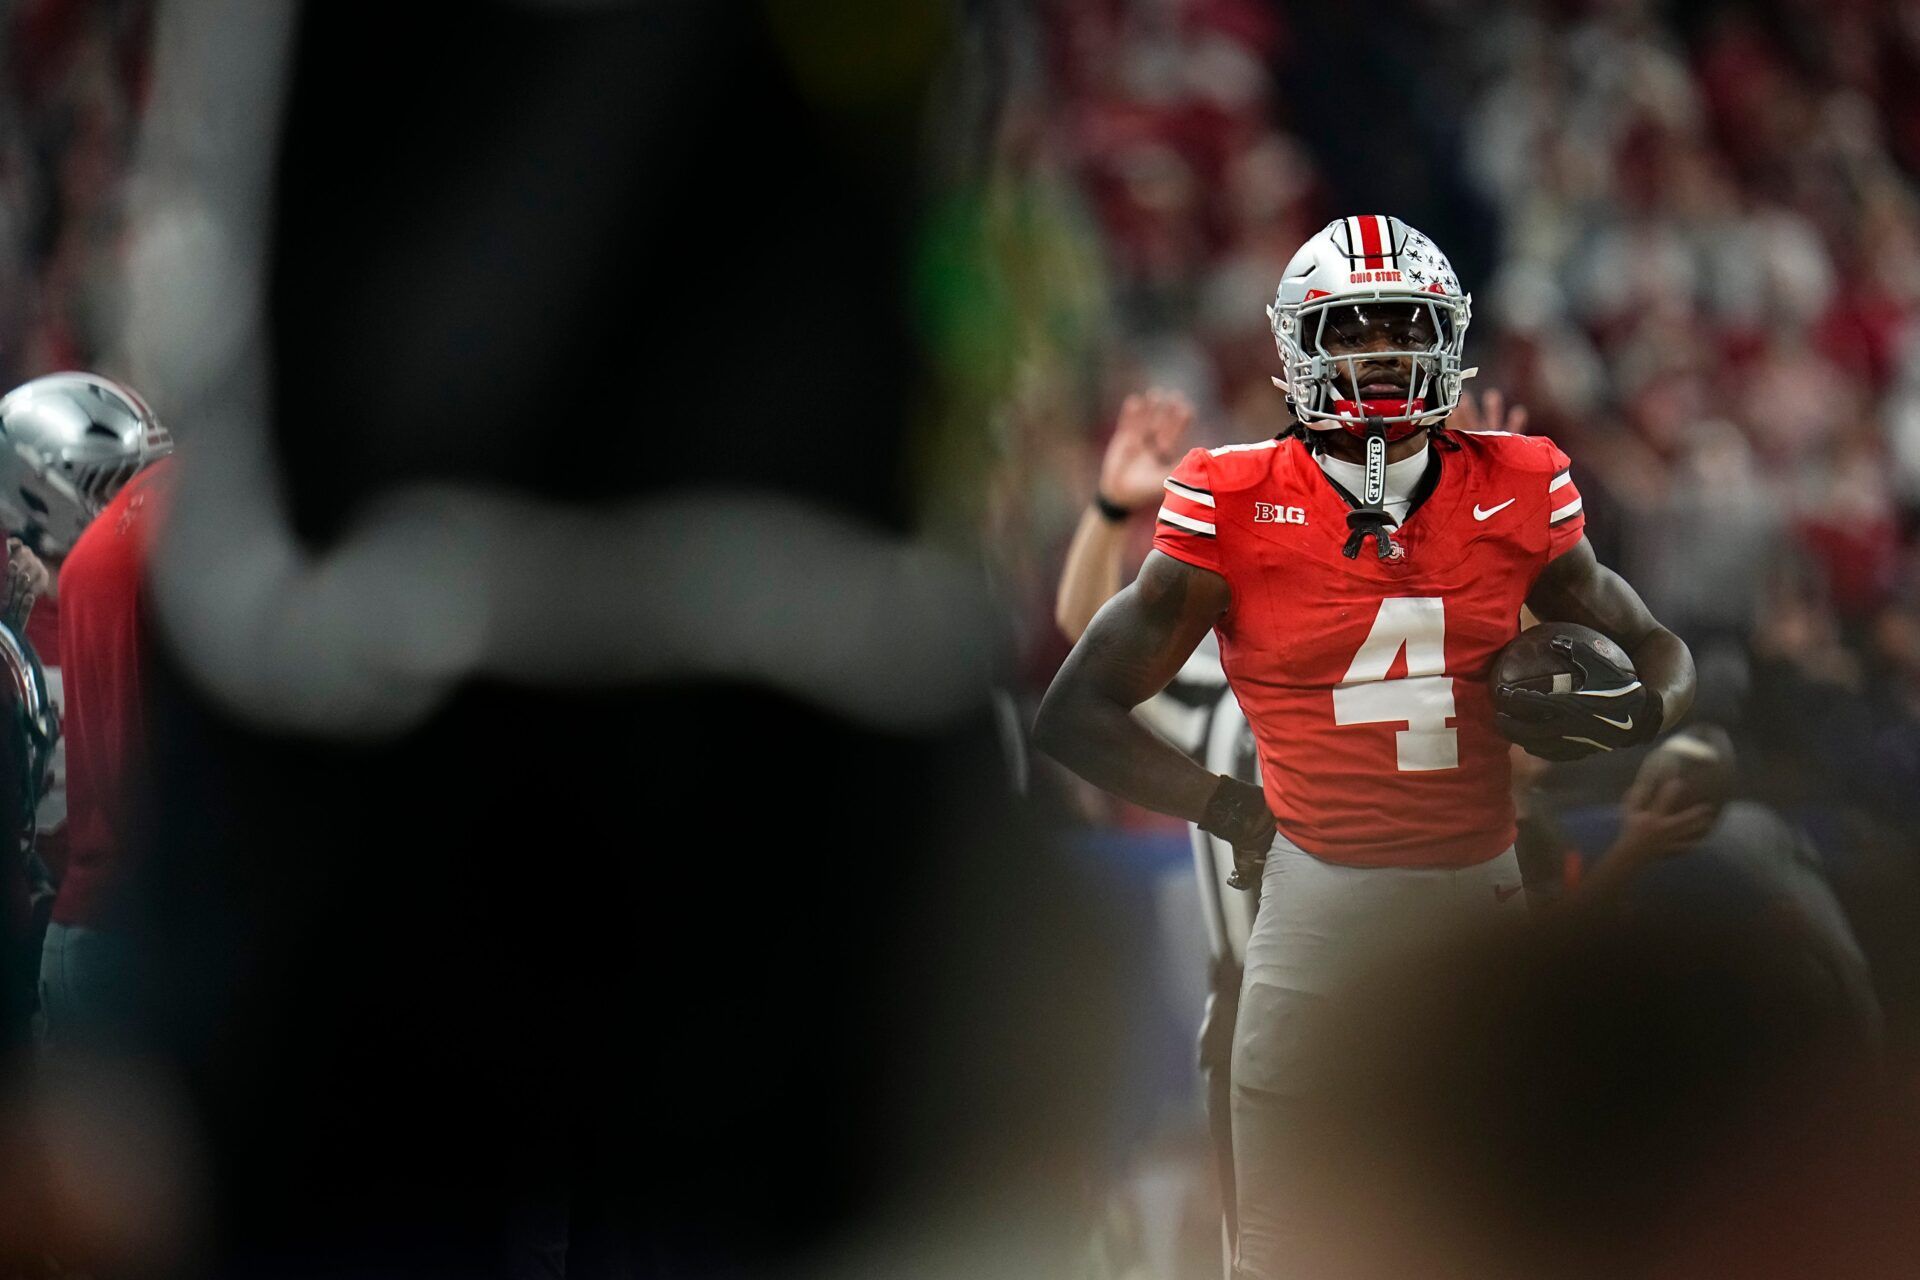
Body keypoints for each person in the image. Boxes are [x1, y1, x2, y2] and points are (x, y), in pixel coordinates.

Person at [1032, 214, 1697, 1279]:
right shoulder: (1233, 498)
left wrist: (1643, 711)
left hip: (1482, 895)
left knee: (1511, 1231)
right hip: (1318, 905)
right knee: (1299, 1251)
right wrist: (1236, 808)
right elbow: (1074, 707)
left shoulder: (1516, 481)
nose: (1382, 353)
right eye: (1354, 329)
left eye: (1404, 326)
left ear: (1448, 333)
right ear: (1300, 342)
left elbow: (1657, 644)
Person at [0, 371, 173, 1050]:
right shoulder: (120, 575)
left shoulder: (80, 578)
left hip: (67, 912)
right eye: (120, 485)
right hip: (76, 910)